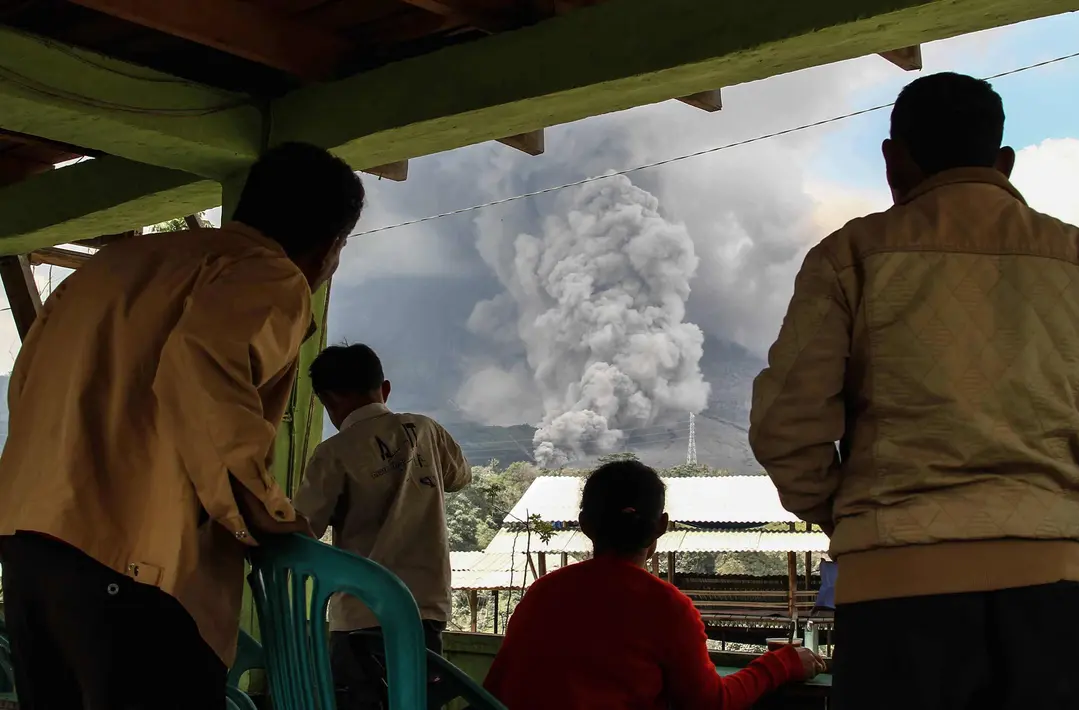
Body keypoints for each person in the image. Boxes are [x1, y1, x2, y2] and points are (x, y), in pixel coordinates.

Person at [750, 72, 1079, 710]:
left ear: (894, 161)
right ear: (1004, 163)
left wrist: (847, 512)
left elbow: (787, 425)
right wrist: (1064, 512)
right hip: (1049, 598)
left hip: (891, 599)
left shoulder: (849, 257)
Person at [0, 141, 365, 710]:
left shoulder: (110, 269)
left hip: (31, 557)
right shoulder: (268, 274)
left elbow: (24, 389)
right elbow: (203, 371)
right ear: (329, 248)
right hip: (135, 567)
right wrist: (268, 516)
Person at [483, 460, 824, 710]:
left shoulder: (542, 594)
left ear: (585, 525)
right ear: (661, 526)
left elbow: (497, 688)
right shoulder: (666, 606)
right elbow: (711, 703)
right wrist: (782, 664)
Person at [293, 343, 471, 710]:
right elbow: (459, 478)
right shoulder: (426, 430)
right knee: (415, 700)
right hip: (424, 611)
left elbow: (303, 530)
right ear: (384, 389)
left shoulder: (333, 453)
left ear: (327, 401)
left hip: (360, 615)